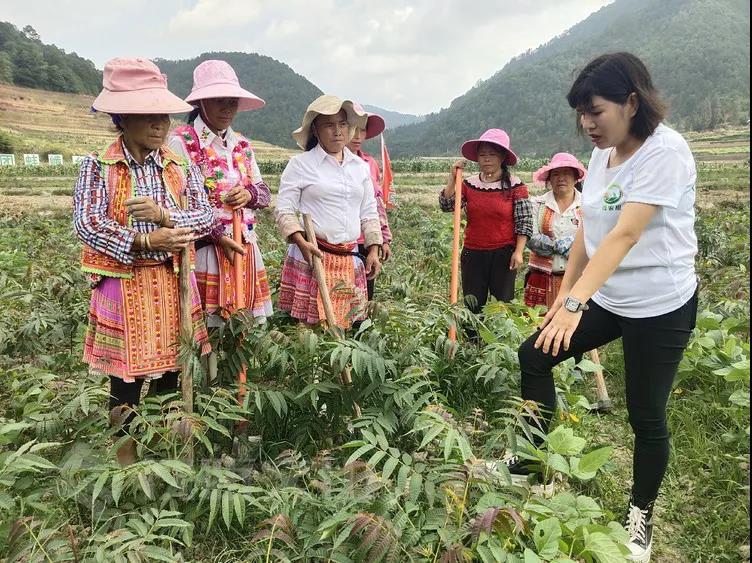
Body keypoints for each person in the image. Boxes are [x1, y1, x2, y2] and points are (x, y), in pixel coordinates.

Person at [514, 52, 698, 562]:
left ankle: (641, 515)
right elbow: (589, 234)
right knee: (534, 355)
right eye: (581, 113)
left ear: (632, 102)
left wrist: (576, 301)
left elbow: (625, 234)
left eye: (596, 111)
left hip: (661, 304)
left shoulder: (667, 152)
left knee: (645, 415)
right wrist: (562, 300)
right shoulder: (601, 154)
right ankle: (525, 464)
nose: (586, 124)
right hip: (610, 296)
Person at [73, 58, 214, 466]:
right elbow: (88, 223)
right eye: (147, 115)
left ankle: (169, 453)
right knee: (126, 381)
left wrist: (167, 217)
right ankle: (127, 464)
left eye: (163, 114)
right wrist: (145, 239)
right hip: (124, 282)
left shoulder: (178, 164)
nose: (159, 123)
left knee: (173, 371)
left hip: (172, 281)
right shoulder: (98, 165)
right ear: (122, 117)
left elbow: (205, 215)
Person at [168, 59, 273, 326]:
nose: (228, 108)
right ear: (200, 103)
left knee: (241, 330)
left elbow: (264, 192)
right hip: (205, 251)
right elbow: (176, 205)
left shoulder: (242, 144)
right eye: (219, 101)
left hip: (244, 246)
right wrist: (216, 233)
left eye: (232, 101)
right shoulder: (182, 142)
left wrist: (248, 194)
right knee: (207, 332)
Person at [275, 95, 383, 329]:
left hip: (349, 257)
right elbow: (284, 209)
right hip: (313, 255)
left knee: (345, 328)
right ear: (315, 129)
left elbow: (369, 212)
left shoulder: (360, 168)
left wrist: (373, 249)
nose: (337, 131)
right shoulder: (301, 165)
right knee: (310, 331)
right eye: (329, 125)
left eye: (342, 124)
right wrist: (300, 241)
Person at [439, 129, 533, 326]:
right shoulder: (469, 184)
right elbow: (448, 206)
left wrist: (518, 251)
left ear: (502, 157)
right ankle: (474, 345)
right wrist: (452, 179)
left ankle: (500, 345)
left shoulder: (516, 186)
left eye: (492, 154)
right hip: (473, 252)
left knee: (502, 303)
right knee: (473, 302)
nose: (487, 159)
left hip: (504, 253)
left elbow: (524, 221)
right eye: (482, 154)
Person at [524, 152, 586, 309]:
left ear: (575, 177)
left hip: (578, 280)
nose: (561, 178)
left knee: (575, 328)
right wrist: (557, 245)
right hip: (542, 278)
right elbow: (530, 235)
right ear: (549, 179)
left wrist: (575, 245)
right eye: (556, 174)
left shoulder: (587, 205)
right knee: (538, 326)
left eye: (566, 173)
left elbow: (593, 237)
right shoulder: (538, 204)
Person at [346, 107, 393, 300]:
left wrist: (384, 237)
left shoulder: (369, 163)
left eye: (362, 130)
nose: (357, 136)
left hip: (365, 240)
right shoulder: (329, 163)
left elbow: (376, 204)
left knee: (364, 296)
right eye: (352, 129)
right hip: (340, 240)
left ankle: (361, 330)